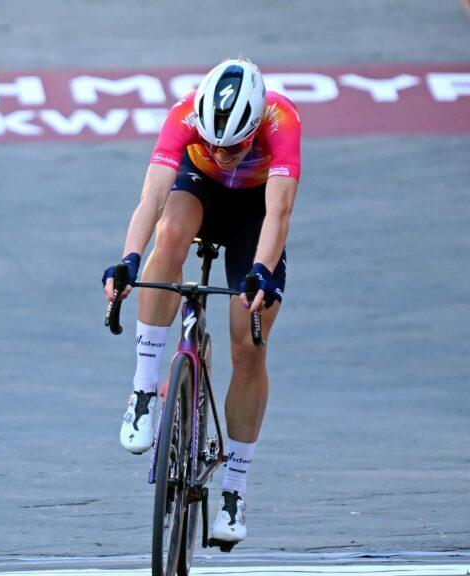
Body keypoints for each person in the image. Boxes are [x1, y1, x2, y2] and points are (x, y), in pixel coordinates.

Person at [102, 59, 301, 547]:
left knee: (248, 347)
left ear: (255, 126)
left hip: (253, 213)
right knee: (168, 233)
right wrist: (128, 257)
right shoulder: (184, 116)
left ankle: (234, 487)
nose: (221, 150)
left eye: (232, 145)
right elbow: (150, 197)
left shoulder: (283, 121)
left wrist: (261, 270)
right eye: (212, 141)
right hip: (199, 191)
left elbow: (279, 212)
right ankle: (146, 389)